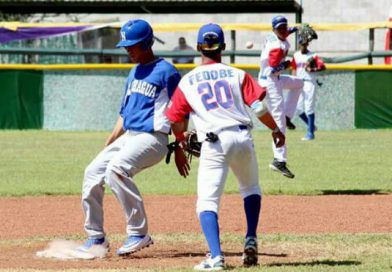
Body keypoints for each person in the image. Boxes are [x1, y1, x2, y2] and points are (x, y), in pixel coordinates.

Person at [166, 23, 285, 270]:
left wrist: (180, 139)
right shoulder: (237, 74)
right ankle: (251, 236)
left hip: (214, 142)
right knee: (251, 187)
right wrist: (275, 129)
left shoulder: (187, 81)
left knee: (207, 203)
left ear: (199, 47)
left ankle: (216, 257)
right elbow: (260, 108)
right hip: (242, 137)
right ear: (224, 46)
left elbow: (176, 119)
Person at [77, 19, 181, 256]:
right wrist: (108, 145)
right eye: (126, 45)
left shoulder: (167, 71)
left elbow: (179, 110)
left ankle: (139, 232)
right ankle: (96, 239)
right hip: (130, 136)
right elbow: (124, 116)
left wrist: (180, 145)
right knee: (92, 171)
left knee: (116, 170)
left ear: (147, 43)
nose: (128, 50)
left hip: (154, 138)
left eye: (132, 45)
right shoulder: (133, 72)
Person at [258, 15, 304, 179]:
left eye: (285, 26)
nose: (283, 30)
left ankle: (288, 115)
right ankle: (279, 160)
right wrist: (288, 64)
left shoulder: (274, 35)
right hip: (271, 80)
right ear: (274, 30)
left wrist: (296, 28)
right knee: (279, 122)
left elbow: (284, 33)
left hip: (272, 79)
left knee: (299, 83)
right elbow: (274, 68)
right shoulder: (276, 47)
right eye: (280, 28)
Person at [289, 38, 326, 141]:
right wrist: (293, 81)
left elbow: (323, 67)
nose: (303, 46)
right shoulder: (296, 55)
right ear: (299, 44)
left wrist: (312, 69)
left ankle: (310, 133)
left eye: (305, 44)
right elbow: (293, 69)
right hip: (299, 82)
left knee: (309, 107)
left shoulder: (313, 55)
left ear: (307, 44)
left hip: (309, 82)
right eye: (302, 44)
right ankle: (312, 127)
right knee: (298, 109)